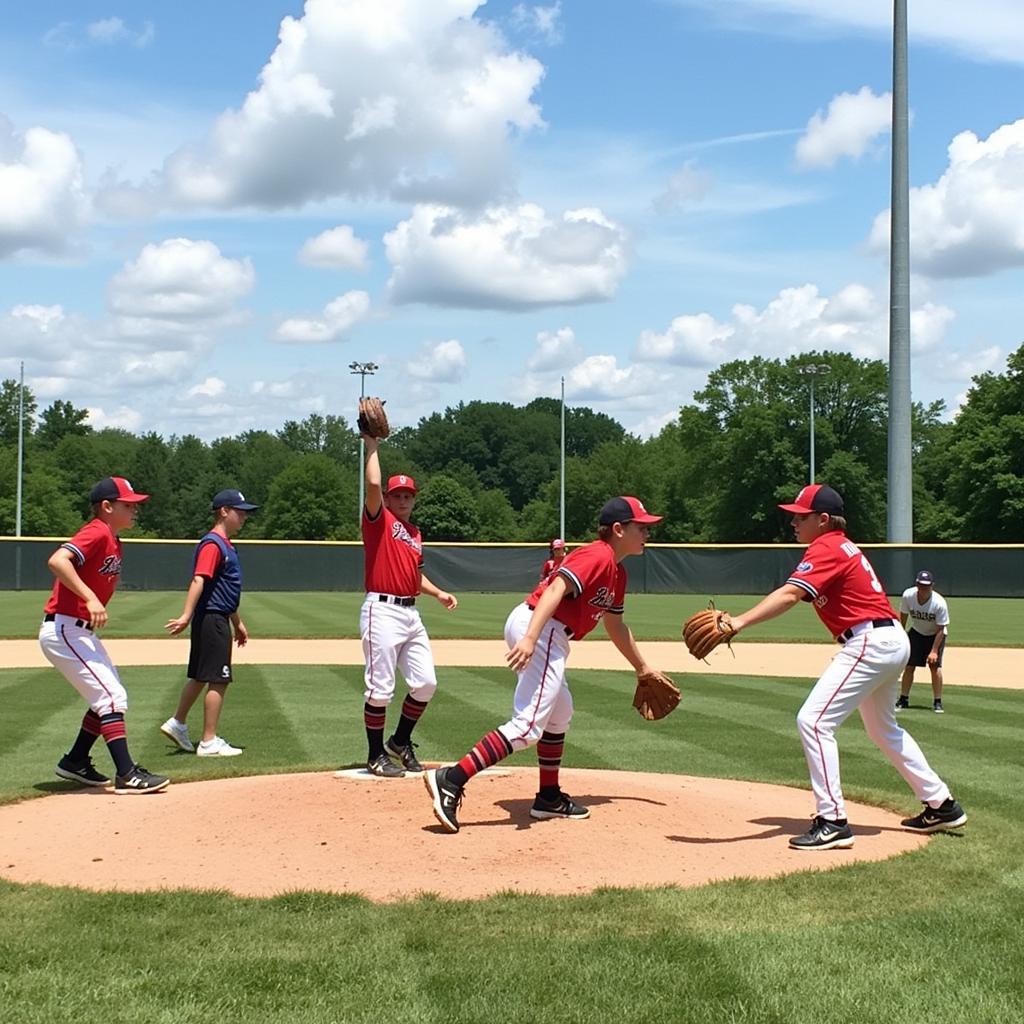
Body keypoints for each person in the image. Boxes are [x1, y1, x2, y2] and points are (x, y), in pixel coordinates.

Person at [719, 484, 966, 850]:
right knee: (884, 730)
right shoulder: (839, 547)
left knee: (814, 721)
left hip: (870, 641)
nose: (792, 523)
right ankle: (941, 804)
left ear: (822, 520)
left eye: (799, 517)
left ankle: (832, 820)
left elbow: (790, 594)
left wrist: (739, 622)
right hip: (888, 639)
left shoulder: (827, 546)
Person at [424, 496, 669, 833]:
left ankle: (548, 798)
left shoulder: (618, 573)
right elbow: (557, 587)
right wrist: (530, 638)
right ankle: (451, 778)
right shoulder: (597, 555)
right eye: (641, 527)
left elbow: (615, 626)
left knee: (560, 711)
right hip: (543, 627)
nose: (647, 533)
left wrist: (642, 667)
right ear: (617, 529)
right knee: (527, 727)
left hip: (545, 630)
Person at [39, 476, 170, 794]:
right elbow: (58, 560)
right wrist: (90, 597)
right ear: (107, 506)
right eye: (129, 505)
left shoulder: (112, 538)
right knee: (111, 697)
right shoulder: (97, 530)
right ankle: (127, 773)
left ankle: (76, 761)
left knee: (109, 697)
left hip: (75, 629)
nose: (135, 510)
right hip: (65, 628)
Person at [359, 433, 457, 777]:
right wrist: (372, 444)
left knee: (426, 683)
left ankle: (399, 742)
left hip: (410, 612)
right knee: (381, 687)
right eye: (396, 494)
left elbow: (414, 577)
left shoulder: (415, 534)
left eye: (407, 495)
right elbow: (372, 482)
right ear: (386, 498)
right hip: (381, 610)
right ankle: (375, 755)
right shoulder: (379, 521)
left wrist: (438, 593)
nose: (402, 499)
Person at [160, 488, 258, 756]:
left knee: (202, 675)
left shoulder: (224, 544)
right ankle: (208, 741)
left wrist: (237, 621)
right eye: (240, 512)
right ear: (223, 512)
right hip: (212, 618)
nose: (244, 518)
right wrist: (186, 614)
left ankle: (177, 722)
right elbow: (199, 579)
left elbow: (223, 589)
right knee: (218, 679)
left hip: (217, 616)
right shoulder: (213, 544)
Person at [896, 570, 950, 714]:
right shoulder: (908, 595)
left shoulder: (939, 603)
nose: (923, 588)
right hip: (917, 631)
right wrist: (901, 636)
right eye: (921, 585)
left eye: (926, 586)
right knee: (909, 665)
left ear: (932, 586)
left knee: (934, 666)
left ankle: (937, 701)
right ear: (916, 584)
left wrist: (933, 651)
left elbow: (941, 628)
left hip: (936, 634)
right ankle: (903, 699)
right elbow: (903, 617)